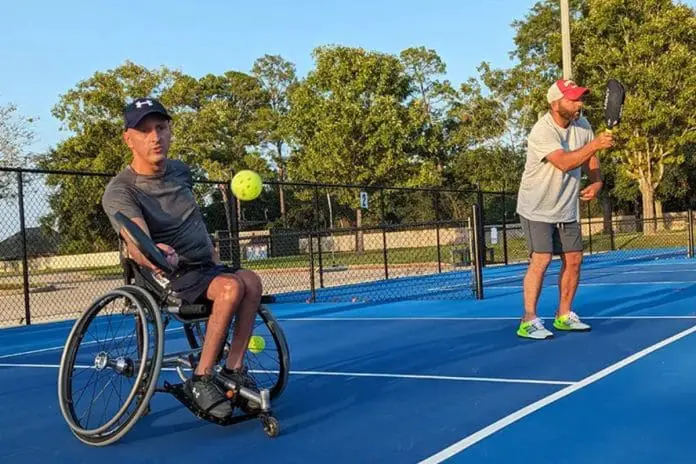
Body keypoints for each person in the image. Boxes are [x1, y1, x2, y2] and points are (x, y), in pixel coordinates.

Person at [102, 97, 263, 418]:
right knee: (232, 288)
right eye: (144, 130)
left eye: (160, 128)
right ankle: (201, 377)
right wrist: (156, 253)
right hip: (168, 275)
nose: (155, 137)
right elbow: (137, 242)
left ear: (169, 131)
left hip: (206, 267)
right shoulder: (121, 190)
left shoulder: (180, 171)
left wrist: (210, 251)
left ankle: (233, 370)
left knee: (251, 281)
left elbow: (192, 218)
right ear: (128, 139)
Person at [515, 79, 614, 340]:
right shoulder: (542, 131)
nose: (579, 104)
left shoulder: (583, 125)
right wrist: (594, 145)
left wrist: (597, 181)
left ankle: (563, 315)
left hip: (567, 207)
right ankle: (528, 320)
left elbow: (590, 159)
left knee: (574, 259)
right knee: (542, 259)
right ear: (555, 103)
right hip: (536, 207)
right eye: (572, 99)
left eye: (580, 98)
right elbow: (564, 163)